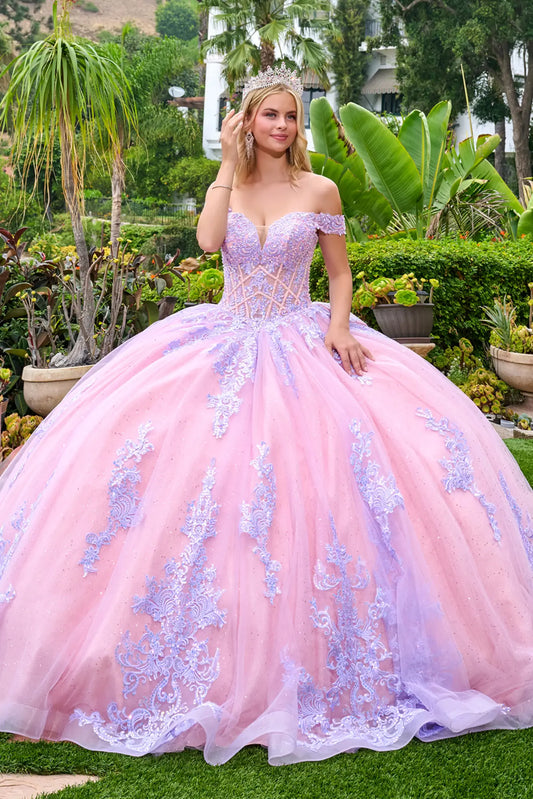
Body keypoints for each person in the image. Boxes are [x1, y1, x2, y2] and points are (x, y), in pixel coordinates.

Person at [0, 65, 533, 767]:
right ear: (247, 121)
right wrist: (227, 165)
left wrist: (339, 326)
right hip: (222, 338)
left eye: (290, 116)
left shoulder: (319, 189)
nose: (282, 126)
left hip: (302, 340)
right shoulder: (230, 182)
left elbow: (338, 272)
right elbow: (207, 243)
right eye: (269, 115)